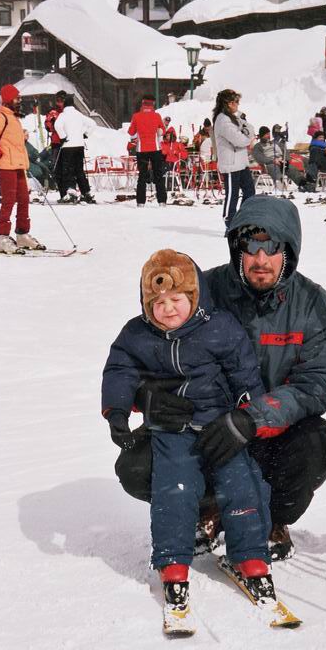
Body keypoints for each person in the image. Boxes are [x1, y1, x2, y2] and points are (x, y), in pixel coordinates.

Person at [114, 196, 326, 562]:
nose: (260, 259)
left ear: (288, 249)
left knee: (317, 442)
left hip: (272, 434)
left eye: (272, 246)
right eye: (251, 246)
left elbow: (315, 385)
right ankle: (207, 509)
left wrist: (252, 418)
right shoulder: (204, 290)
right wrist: (145, 394)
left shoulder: (315, 306)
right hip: (206, 429)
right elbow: (146, 348)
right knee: (136, 465)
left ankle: (270, 519)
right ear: (237, 247)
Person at [102, 249, 274, 615]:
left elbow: (244, 371)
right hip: (171, 430)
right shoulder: (137, 334)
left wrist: (249, 413)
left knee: (243, 485)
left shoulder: (220, 327)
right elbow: (119, 369)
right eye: (158, 302)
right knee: (174, 490)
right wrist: (117, 411)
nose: (167, 309)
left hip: (220, 427)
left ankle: (251, 556)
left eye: (176, 300)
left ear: (194, 297)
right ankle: (173, 562)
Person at [0, 83, 44, 254]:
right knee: (8, 201)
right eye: (16, 98)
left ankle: (22, 234)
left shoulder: (14, 118)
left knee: (24, 199)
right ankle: (1, 238)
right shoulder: (0, 118)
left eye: (19, 98)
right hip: (6, 166)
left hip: (18, 166)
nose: (19, 101)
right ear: (7, 100)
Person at [213, 89, 256, 234]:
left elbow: (250, 129)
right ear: (228, 103)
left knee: (250, 191)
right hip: (231, 164)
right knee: (232, 195)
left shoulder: (234, 119)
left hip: (241, 162)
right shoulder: (222, 120)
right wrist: (246, 135)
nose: (238, 104)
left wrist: (245, 131)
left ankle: (242, 219)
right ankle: (230, 223)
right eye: (236, 102)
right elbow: (240, 140)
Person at [53, 94, 96, 204]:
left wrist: (63, 137)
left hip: (68, 146)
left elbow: (57, 126)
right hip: (79, 146)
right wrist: (85, 134)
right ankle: (86, 192)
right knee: (79, 170)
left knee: (68, 170)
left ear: (65, 104)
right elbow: (93, 124)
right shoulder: (79, 114)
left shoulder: (63, 115)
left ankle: (71, 192)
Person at [128, 94, 167, 208]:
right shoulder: (157, 116)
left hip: (142, 150)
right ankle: (162, 201)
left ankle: (140, 202)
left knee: (142, 176)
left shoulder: (136, 116)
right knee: (158, 175)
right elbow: (163, 130)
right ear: (153, 103)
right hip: (155, 149)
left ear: (143, 103)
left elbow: (131, 132)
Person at [252, 126, 311, 191]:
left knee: (292, 169)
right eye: (266, 134)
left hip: (281, 161)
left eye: (269, 134)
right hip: (270, 163)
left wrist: (286, 160)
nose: (268, 136)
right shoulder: (258, 146)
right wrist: (272, 160)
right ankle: (281, 187)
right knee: (275, 170)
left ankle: (304, 185)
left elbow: (285, 151)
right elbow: (259, 157)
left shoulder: (275, 143)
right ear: (262, 135)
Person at [45, 90, 66, 192]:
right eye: (58, 100)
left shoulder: (68, 112)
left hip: (68, 143)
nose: (59, 102)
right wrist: (52, 124)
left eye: (61, 100)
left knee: (67, 165)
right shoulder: (53, 113)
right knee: (56, 165)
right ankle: (59, 185)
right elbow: (48, 126)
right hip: (56, 143)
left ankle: (69, 185)